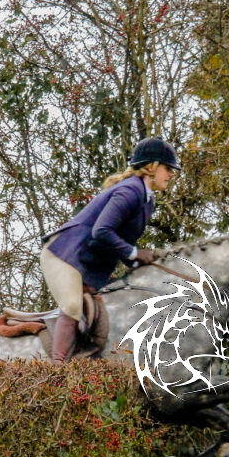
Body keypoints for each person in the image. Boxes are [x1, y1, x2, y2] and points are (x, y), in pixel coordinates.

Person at [40, 137, 180, 363]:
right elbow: (102, 231)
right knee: (73, 306)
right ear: (150, 168)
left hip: (84, 263)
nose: (172, 174)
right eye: (168, 168)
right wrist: (134, 253)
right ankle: (57, 369)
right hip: (63, 255)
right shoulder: (130, 191)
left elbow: (119, 241)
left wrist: (140, 261)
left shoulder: (147, 201)